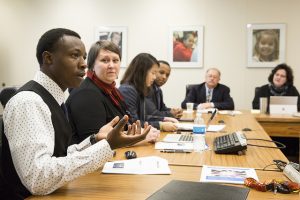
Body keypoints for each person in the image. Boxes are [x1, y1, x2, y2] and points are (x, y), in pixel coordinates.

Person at [0, 28, 150, 199]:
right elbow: (38, 179)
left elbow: (58, 155)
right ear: (48, 58)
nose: (84, 64)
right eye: (74, 55)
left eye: (84, 57)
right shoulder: (29, 102)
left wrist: (96, 140)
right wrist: (107, 146)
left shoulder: (54, 98)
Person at [66, 40, 159, 144]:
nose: (111, 65)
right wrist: (141, 139)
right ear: (92, 65)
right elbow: (92, 142)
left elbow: (122, 127)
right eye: (105, 60)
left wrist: (142, 132)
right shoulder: (86, 94)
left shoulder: (112, 90)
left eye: (115, 60)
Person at [119, 53, 178, 132]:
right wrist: (160, 125)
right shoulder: (128, 90)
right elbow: (133, 123)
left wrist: (163, 119)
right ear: (142, 72)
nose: (154, 77)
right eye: (153, 73)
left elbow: (143, 117)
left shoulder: (140, 90)